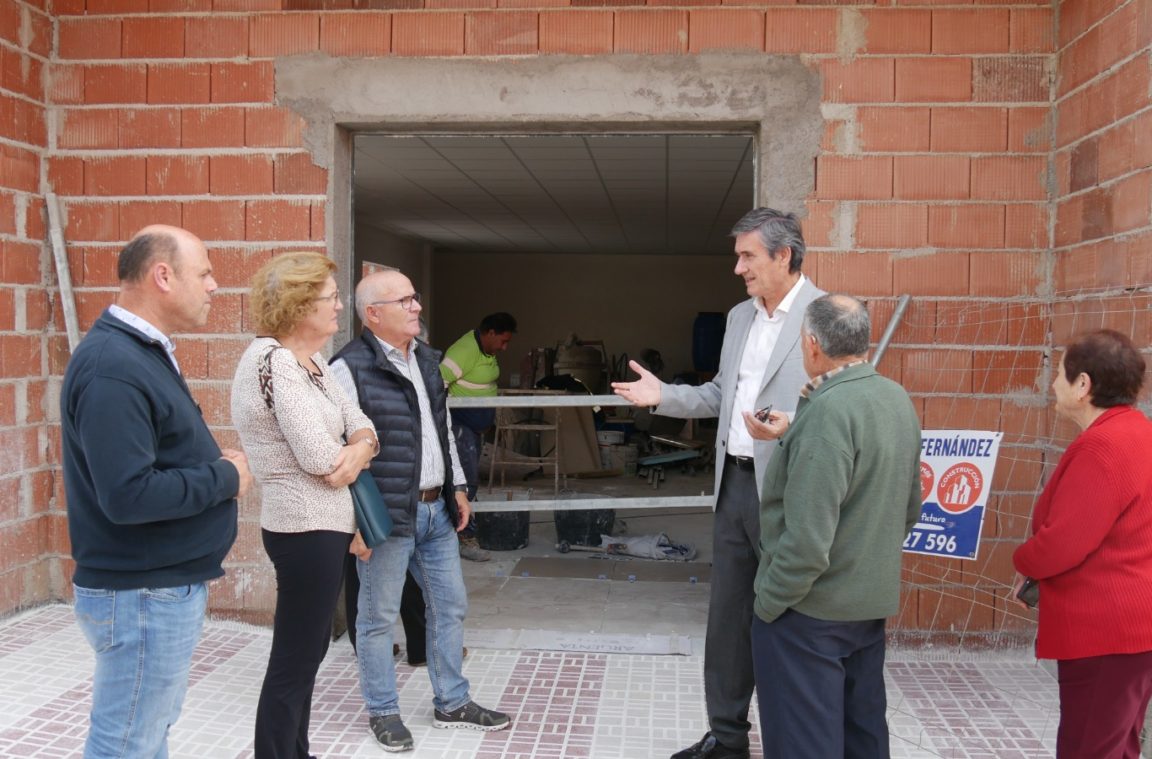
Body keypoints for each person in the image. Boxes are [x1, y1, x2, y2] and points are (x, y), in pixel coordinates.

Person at [611, 207, 822, 759]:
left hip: (791, 494)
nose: (738, 268)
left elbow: (842, 411)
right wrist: (665, 396)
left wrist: (791, 426)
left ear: (784, 255)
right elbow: (719, 397)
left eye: (748, 256)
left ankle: (791, 741)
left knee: (788, 618)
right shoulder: (737, 318)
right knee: (728, 618)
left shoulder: (825, 316)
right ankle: (727, 738)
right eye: (738, 256)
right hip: (734, 487)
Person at [61, 225, 253, 758]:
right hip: (141, 592)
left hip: (151, 589)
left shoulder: (138, 353)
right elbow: (127, 496)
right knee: (126, 743)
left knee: (145, 734)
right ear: (162, 276)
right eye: (205, 272)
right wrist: (226, 477)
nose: (215, 286)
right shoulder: (114, 367)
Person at [331, 270, 511, 752]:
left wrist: (456, 486)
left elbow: (442, 430)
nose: (417, 307)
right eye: (405, 300)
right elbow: (337, 449)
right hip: (388, 516)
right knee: (376, 617)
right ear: (373, 314)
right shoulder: (348, 367)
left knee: (450, 606)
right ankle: (383, 713)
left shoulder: (427, 361)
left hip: (436, 512)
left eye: (416, 299)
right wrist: (357, 522)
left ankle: (451, 701)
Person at [750, 294, 921, 758]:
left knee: (803, 742)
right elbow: (909, 507)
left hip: (810, 614)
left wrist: (769, 601)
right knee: (861, 736)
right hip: (866, 608)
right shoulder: (895, 398)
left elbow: (806, 542)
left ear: (811, 345)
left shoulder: (828, 412)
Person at [230, 252, 379, 759]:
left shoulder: (312, 362)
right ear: (298, 306)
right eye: (331, 298)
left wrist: (360, 448)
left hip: (326, 525)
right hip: (304, 528)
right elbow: (319, 459)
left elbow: (363, 425)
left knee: (309, 649)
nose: (340, 306)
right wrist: (355, 448)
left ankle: (296, 750)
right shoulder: (273, 362)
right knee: (295, 656)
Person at [1012, 329, 1152, 759]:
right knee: (1116, 742)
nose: (1053, 382)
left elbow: (1064, 544)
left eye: (1059, 373)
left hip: (1106, 630)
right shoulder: (1136, 431)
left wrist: (1023, 559)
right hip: (1130, 627)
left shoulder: (1104, 447)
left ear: (1083, 385)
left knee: (1088, 746)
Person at [440, 311, 518, 562]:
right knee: (466, 481)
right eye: (502, 341)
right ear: (490, 333)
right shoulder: (463, 351)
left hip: (474, 427)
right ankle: (464, 537)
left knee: (469, 481)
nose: (504, 347)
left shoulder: (486, 351)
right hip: (460, 427)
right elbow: (436, 384)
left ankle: (460, 532)